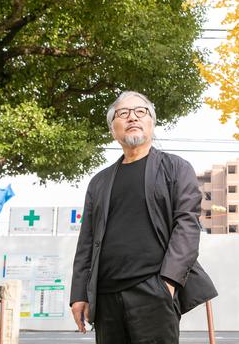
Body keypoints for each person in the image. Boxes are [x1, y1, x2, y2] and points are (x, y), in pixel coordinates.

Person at [70, 91, 218, 344]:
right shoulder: (100, 182)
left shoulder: (175, 168)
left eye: (141, 112)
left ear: (152, 122)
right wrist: (79, 294)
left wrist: (168, 283)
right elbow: (87, 241)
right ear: (112, 129)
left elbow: (187, 225)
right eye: (123, 113)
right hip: (105, 296)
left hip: (153, 290)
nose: (132, 117)